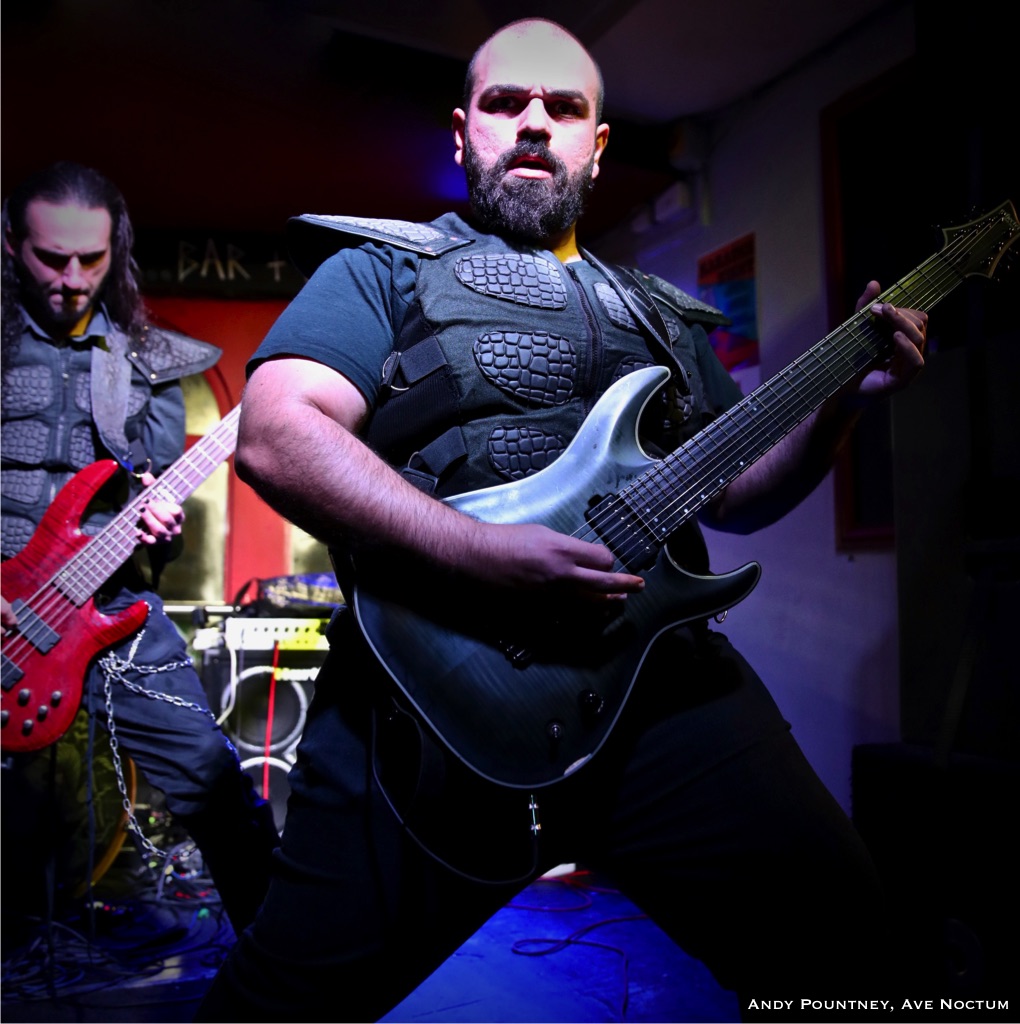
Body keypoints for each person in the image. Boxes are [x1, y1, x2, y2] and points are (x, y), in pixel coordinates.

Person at [197, 19, 928, 1020]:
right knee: (280, 1005)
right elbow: (278, 436)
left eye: (564, 107)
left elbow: (737, 492)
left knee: (854, 954)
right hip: (432, 695)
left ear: (598, 142)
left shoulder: (665, 316)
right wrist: (480, 555)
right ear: (463, 133)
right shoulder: (381, 271)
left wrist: (840, 406)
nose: (535, 123)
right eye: (506, 103)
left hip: (663, 694)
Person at [1, 161, 280, 938]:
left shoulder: (147, 364)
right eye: (51, 258)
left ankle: (282, 966)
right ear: (12, 245)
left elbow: (149, 497)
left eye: (90, 259)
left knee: (212, 782)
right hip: (6, 613)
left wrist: (160, 519)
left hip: (108, 605)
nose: (71, 280)